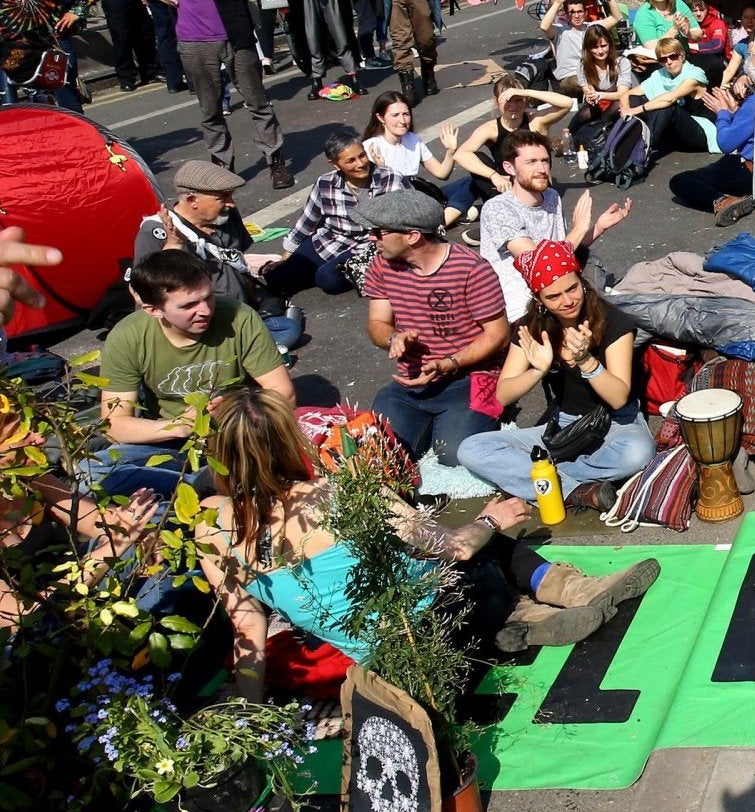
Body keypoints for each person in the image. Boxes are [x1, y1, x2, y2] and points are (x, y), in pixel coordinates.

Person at [199, 389, 658, 679]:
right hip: (445, 618)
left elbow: (248, 625)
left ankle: (523, 623)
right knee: (483, 540)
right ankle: (566, 592)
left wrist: (248, 713)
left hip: (389, 664)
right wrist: (493, 518)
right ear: (290, 441)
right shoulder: (340, 493)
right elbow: (454, 549)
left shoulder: (210, 527)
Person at [457, 242, 657, 515]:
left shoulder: (613, 322)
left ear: (582, 282)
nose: (567, 301)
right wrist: (537, 369)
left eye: (572, 288)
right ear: (538, 299)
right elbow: (504, 394)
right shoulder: (531, 328)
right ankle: (575, 491)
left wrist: (587, 361)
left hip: (615, 423)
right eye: (553, 297)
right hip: (564, 426)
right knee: (471, 448)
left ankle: (536, 479)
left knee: (637, 453)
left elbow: (619, 396)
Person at [94, 249, 297, 491]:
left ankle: (194, 491)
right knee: (95, 471)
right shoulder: (127, 337)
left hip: (238, 434)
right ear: (153, 309)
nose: (206, 310)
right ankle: (206, 486)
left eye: (209, 297)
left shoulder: (238, 316)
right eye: (189, 305)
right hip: (172, 440)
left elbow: (284, 394)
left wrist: (230, 418)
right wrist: (180, 425)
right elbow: (113, 425)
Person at [129, 0, 287, 184]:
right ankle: (222, 165)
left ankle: (275, 160)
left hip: (233, 33)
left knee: (257, 102)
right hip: (192, 37)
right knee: (210, 109)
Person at [362, 190, 511, 466]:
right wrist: (393, 337)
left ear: (412, 236)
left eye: (378, 231)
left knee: (455, 455)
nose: (371, 237)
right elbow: (377, 323)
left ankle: (483, 410)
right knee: (384, 455)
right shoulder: (381, 265)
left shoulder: (471, 269)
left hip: (469, 377)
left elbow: (498, 335)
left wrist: (447, 364)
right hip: (411, 382)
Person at [135, 161, 303, 354]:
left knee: (288, 329)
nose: (231, 203)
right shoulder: (157, 231)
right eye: (223, 197)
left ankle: (238, 349)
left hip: (240, 312)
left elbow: (238, 257)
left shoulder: (226, 215)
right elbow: (144, 290)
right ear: (192, 200)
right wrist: (174, 246)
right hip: (199, 324)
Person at [477, 129, 632, 320]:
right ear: (509, 168)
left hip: (562, 293)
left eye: (544, 161)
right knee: (625, 316)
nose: (541, 169)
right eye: (531, 162)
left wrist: (598, 228)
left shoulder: (551, 197)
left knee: (593, 262)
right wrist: (579, 228)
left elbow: (563, 252)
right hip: (525, 310)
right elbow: (540, 265)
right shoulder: (497, 208)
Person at [670, 50, 755, 222]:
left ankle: (724, 200)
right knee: (721, 166)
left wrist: (722, 113)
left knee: (681, 180)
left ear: (750, 80)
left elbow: (725, 143)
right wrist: (735, 112)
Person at [273, 131, 407, 295]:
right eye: (351, 160)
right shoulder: (325, 184)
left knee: (328, 279)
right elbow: (308, 221)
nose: (360, 164)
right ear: (335, 165)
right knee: (277, 276)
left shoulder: (391, 180)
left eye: (362, 156)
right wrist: (288, 253)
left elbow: (412, 214)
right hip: (330, 242)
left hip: (369, 247)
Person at [452, 74, 573, 203]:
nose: (513, 106)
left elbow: (567, 103)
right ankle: (500, 206)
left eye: (518, 100)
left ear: (525, 100)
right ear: (496, 101)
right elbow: (460, 154)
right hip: (507, 188)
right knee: (478, 157)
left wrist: (524, 91)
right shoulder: (490, 129)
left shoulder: (536, 121)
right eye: (508, 100)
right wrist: (494, 176)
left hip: (536, 186)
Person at [362, 91, 472, 227]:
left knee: (472, 182)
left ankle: (442, 220)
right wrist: (382, 170)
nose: (402, 121)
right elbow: (371, 197)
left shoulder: (413, 139)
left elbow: (442, 173)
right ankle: (444, 219)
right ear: (380, 118)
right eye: (395, 115)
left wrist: (450, 152)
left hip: (420, 196)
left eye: (406, 114)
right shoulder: (370, 147)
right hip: (396, 205)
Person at [626, 36, 713, 160]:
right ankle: (625, 142)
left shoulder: (694, 74)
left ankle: (638, 154)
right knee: (635, 99)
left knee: (667, 106)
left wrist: (636, 110)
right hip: (676, 137)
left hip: (701, 132)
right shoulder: (660, 75)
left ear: (682, 56)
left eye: (673, 56)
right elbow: (629, 94)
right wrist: (625, 112)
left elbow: (670, 98)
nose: (669, 62)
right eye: (663, 59)